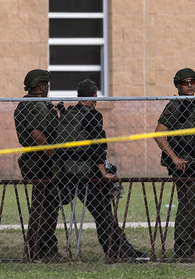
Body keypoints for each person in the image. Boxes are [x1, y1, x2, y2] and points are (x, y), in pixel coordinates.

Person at [57, 79, 148, 262]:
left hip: (67, 173)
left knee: (102, 213)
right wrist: (103, 171)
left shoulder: (67, 114)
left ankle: (120, 249)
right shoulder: (92, 115)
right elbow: (97, 147)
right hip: (87, 174)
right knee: (103, 213)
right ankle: (118, 251)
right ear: (94, 96)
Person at [154, 68, 195, 260]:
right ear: (178, 85)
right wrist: (174, 158)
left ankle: (192, 249)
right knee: (188, 206)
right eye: (185, 82)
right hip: (183, 163)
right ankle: (183, 251)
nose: (189, 85)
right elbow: (159, 133)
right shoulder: (175, 106)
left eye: (192, 82)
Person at [13, 69, 62, 261]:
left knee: (45, 204)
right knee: (45, 206)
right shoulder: (38, 105)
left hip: (36, 160)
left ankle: (42, 248)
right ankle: (40, 249)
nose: (48, 88)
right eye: (47, 85)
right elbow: (36, 134)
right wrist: (53, 154)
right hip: (41, 161)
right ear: (41, 86)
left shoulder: (27, 104)